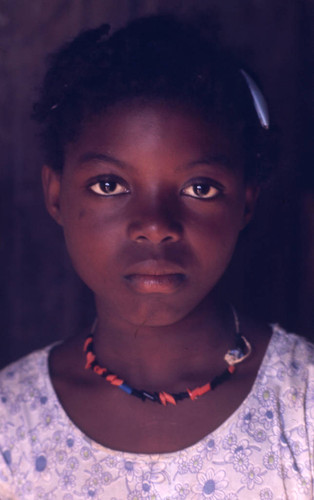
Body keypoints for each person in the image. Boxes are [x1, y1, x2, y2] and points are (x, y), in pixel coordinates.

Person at [0, 14, 313, 499]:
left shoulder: (303, 407)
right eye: (110, 185)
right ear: (57, 195)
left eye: (199, 187)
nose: (155, 225)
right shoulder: (11, 424)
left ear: (245, 202)